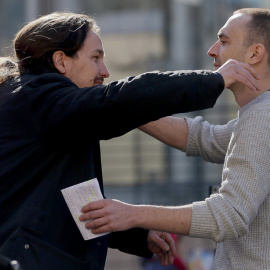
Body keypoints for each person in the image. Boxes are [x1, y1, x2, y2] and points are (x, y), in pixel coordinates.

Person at [0, 11, 260, 270]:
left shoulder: (52, 108)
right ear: (61, 61)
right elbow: (120, 100)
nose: (105, 71)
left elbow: (61, 202)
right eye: (95, 58)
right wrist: (212, 81)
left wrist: (133, 233)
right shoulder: (39, 100)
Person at [79, 8, 270, 270]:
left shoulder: (263, 117)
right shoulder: (257, 116)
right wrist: (119, 105)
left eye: (224, 41)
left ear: (255, 54)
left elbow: (229, 215)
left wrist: (131, 214)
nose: (212, 50)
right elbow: (204, 138)